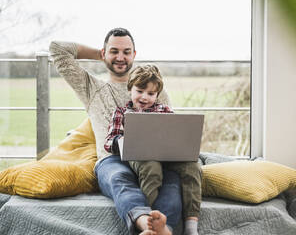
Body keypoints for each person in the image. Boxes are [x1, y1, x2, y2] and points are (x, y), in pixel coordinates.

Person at [49, 28, 182, 235]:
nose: (120, 57)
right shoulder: (91, 88)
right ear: (105, 53)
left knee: (172, 181)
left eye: (126, 52)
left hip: (154, 158)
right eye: (114, 51)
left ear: (134, 55)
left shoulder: (156, 90)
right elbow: (57, 49)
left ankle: (165, 229)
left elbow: (169, 129)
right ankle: (144, 222)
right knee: (119, 179)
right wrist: (101, 54)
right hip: (112, 160)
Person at [104, 64, 202, 235]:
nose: (144, 97)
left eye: (150, 94)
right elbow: (109, 141)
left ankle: (191, 226)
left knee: (193, 166)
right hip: (137, 154)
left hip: (166, 155)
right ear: (130, 89)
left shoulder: (164, 110)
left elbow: (175, 136)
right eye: (140, 91)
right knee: (151, 166)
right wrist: (123, 140)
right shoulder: (122, 112)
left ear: (157, 95)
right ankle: (149, 220)